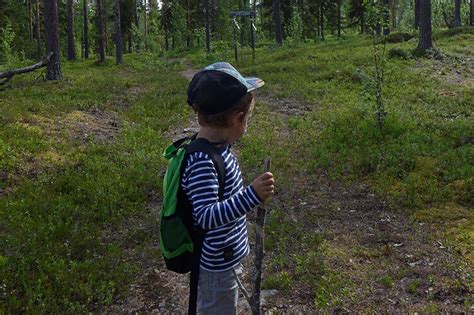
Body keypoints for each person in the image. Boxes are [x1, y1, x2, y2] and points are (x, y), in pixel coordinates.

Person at [183, 62, 275, 314]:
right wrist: (252, 194)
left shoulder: (220, 147)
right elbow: (205, 216)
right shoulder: (203, 160)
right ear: (237, 119)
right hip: (216, 267)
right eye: (248, 119)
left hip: (225, 258)